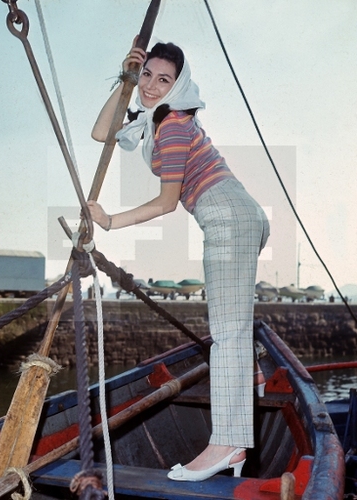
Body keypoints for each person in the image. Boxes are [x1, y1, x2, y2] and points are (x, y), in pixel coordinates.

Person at [87, 38, 270, 482]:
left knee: (225, 334)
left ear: (178, 84)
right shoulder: (158, 118)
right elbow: (101, 132)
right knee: (233, 325)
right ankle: (254, 379)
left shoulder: (171, 126)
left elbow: (168, 202)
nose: (152, 86)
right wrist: (126, 80)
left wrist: (110, 221)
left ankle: (228, 444)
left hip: (226, 215)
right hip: (240, 213)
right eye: (147, 75)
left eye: (162, 79)